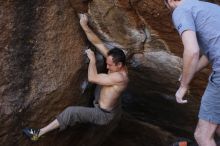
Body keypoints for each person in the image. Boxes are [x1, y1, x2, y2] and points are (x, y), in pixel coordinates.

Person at [23, 14, 128, 141]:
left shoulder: (120, 77)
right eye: (107, 62)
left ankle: (38, 134)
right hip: (105, 100)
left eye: (110, 65)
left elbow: (92, 78)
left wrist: (92, 60)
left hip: (103, 114)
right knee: (104, 79)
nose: (107, 65)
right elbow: (97, 42)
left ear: (120, 65)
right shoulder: (116, 62)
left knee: (71, 112)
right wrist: (84, 25)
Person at [164, 0, 220, 146]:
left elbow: (192, 51)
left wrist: (183, 86)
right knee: (217, 125)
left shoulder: (181, 10)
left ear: (170, 1)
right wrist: (191, 71)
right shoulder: (208, 8)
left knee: (202, 135)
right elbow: (209, 53)